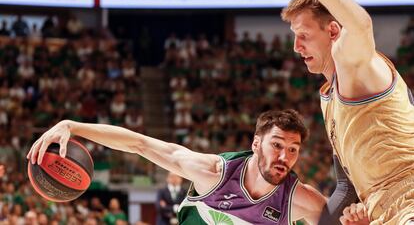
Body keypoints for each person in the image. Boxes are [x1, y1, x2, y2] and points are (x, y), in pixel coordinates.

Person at [255, 0, 414, 225]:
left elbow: (361, 26)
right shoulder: (329, 96)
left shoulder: (356, 67)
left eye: (303, 36)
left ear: (332, 32)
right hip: (383, 212)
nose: (296, 47)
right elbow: (346, 187)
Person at [27, 109, 327, 224]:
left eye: (293, 149)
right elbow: (139, 144)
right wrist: (72, 125)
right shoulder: (213, 174)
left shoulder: (301, 200)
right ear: (256, 144)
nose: (284, 156)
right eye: (277, 145)